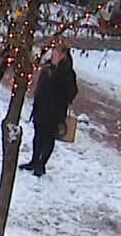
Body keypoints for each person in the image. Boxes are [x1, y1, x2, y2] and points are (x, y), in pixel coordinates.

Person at [20, 43, 78, 177]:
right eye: (53, 53)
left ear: (63, 55)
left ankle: (41, 164)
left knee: (48, 138)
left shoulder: (67, 73)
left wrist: (60, 100)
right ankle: (34, 161)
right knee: (38, 135)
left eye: (56, 53)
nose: (53, 56)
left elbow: (71, 92)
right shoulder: (48, 67)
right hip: (41, 107)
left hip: (54, 112)